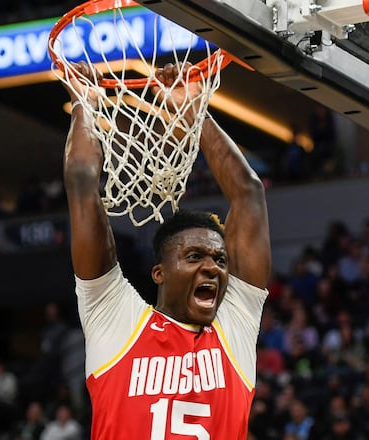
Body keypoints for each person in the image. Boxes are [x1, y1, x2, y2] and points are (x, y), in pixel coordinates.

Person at [62, 61, 271, 439]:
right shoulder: (115, 318)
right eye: (195, 257)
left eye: (220, 260)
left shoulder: (234, 324)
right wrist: (85, 104)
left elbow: (249, 193)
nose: (213, 267)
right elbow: (81, 181)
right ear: (159, 272)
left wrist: (193, 110)